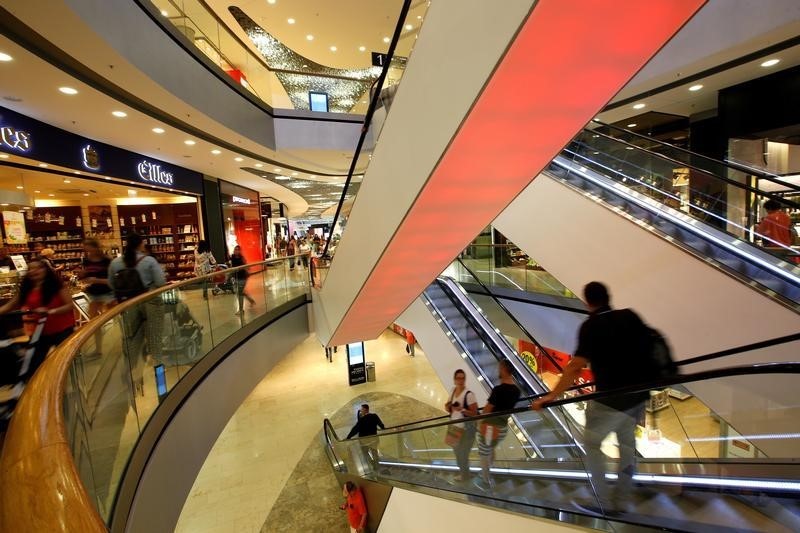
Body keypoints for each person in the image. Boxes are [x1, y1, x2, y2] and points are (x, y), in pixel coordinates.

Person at [532, 281, 650, 512]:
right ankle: (622, 500)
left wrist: (552, 396)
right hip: (637, 396)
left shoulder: (591, 326)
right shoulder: (629, 316)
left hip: (610, 400)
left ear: (587, 302)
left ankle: (602, 502)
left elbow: (575, 367)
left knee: (592, 445)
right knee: (627, 448)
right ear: (608, 297)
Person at [0, 260, 75, 378]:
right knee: (34, 364)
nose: (34, 271)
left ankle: (66, 386)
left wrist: (50, 311)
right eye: (30, 269)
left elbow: (69, 305)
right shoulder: (26, 289)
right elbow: (11, 305)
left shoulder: (56, 285)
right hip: (39, 332)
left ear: (46, 270)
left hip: (62, 330)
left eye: (38, 268)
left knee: (64, 362)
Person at [109, 233, 168, 372]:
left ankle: (130, 377)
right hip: (151, 302)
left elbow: (112, 284)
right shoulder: (149, 261)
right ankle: (160, 380)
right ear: (140, 244)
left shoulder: (115, 263)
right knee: (155, 342)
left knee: (131, 340)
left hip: (128, 306)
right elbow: (160, 282)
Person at [476, 358, 520, 489]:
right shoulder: (517, 391)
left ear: (505, 370)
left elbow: (487, 410)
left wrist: (479, 421)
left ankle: (485, 481)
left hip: (490, 427)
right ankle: (490, 469)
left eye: (500, 368)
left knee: (484, 453)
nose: (498, 370)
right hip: (502, 428)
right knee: (490, 448)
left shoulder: (498, 390)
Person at [78, 239, 114, 356]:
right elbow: (86, 276)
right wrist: (83, 276)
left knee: (117, 318)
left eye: (88, 247)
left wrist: (95, 280)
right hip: (94, 293)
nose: (86, 250)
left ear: (95, 247)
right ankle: (98, 349)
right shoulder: (87, 261)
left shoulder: (106, 260)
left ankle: (123, 341)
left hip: (108, 293)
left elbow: (112, 280)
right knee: (93, 323)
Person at [445, 369, 478, 482]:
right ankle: (464, 472)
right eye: (458, 378)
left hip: (466, 430)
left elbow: (474, 413)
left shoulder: (469, 395)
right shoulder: (453, 391)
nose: (461, 380)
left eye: (462, 378)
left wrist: (462, 409)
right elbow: (447, 407)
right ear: (455, 380)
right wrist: (450, 406)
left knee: (463, 453)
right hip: (454, 427)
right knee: (457, 453)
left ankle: (465, 475)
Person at [346, 404, 385, 471]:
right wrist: (382, 428)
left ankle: (371, 464)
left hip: (364, 441)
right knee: (374, 452)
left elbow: (355, 429)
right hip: (374, 439)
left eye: (361, 409)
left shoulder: (362, 420)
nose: (360, 411)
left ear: (365, 409)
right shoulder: (374, 416)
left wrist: (348, 437)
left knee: (365, 453)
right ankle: (377, 465)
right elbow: (381, 426)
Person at [230, 245, 255, 315]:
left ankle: (241, 310)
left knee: (239, 292)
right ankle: (250, 300)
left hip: (242, 278)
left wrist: (246, 269)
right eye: (235, 249)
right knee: (239, 292)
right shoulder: (232, 257)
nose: (236, 251)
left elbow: (246, 266)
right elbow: (231, 267)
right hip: (236, 278)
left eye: (238, 249)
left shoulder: (242, 258)